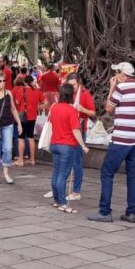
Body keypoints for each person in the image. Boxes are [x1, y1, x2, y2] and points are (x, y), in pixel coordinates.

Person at [89, 62, 135, 222]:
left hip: (121, 139)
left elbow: (109, 108)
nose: (114, 76)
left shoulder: (121, 88)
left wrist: (112, 87)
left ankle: (104, 211)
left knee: (107, 173)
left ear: (122, 74)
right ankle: (131, 211)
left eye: (117, 73)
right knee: (132, 176)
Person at [47, 83, 88, 213]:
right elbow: (76, 130)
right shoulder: (71, 110)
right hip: (67, 145)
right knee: (63, 175)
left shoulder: (54, 108)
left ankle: (57, 200)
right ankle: (63, 203)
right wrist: (83, 145)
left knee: (56, 172)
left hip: (55, 143)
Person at [64, 72, 95, 200]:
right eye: (69, 84)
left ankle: (76, 191)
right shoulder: (66, 93)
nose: (72, 87)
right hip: (67, 128)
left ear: (79, 84)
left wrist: (82, 109)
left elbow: (93, 112)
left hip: (79, 127)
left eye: (74, 85)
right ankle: (60, 187)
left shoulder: (84, 94)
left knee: (77, 161)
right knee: (65, 159)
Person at [13, 74, 41, 166]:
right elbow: (45, 102)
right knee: (30, 137)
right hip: (33, 117)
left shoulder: (22, 90)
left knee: (21, 138)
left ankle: (20, 160)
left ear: (24, 82)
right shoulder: (37, 90)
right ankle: (32, 159)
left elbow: (17, 102)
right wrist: (37, 107)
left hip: (23, 117)